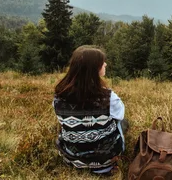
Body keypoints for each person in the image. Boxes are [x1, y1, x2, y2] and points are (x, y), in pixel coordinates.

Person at [53, 46, 127, 176]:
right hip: (104, 162)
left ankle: (77, 157)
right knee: (123, 122)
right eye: (101, 63)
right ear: (94, 69)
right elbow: (120, 115)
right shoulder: (109, 97)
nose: (105, 64)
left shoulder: (59, 96)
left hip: (72, 159)